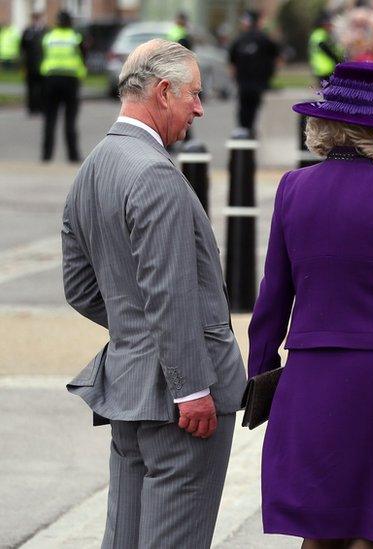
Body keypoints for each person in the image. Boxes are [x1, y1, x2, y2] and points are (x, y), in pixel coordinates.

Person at [247, 61, 373, 548]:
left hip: (310, 376)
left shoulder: (293, 188)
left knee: (318, 524)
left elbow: (273, 294)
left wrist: (260, 371)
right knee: (371, 525)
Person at [61, 39, 246, 548]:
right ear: (164, 92)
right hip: (179, 401)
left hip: (130, 386)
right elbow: (169, 292)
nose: (200, 108)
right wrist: (190, 386)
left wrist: (136, 332)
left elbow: (79, 286)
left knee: (126, 536)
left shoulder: (95, 165)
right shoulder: (154, 173)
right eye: (194, 94)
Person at [40, 11, 85, 162]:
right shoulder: (75, 38)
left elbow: (43, 55)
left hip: (51, 79)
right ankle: (73, 155)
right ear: (70, 22)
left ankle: (46, 155)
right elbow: (83, 57)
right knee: (70, 120)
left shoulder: (49, 37)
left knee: (49, 120)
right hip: (70, 80)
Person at [228, 10, 280, 134]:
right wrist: (270, 74)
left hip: (244, 82)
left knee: (244, 108)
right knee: (253, 108)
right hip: (258, 82)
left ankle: (243, 131)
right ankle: (249, 131)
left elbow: (231, 63)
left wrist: (234, 78)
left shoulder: (239, 39)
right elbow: (277, 56)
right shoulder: (265, 38)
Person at [20, 12, 47, 115]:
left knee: (42, 88)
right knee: (30, 87)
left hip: (42, 64)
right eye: (35, 19)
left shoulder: (45, 31)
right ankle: (32, 108)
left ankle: (42, 107)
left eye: (39, 19)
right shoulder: (27, 31)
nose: (37, 21)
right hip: (30, 64)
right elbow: (23, 47)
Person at [309, 12, 343, 82]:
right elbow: (324, 47)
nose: (331, 27)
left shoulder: (315, 34)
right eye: (329, 25)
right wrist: (336, 59)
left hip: (318, 66)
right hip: (325, 67)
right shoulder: (321, 34)